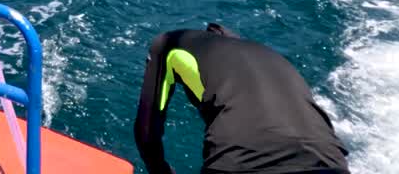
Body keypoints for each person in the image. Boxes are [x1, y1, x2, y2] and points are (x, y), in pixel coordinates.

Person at [134, 24, 349, 174]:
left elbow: (146, 132)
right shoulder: (272, 56)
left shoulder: (169, 43)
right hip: (330, 160)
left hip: (243, 160)